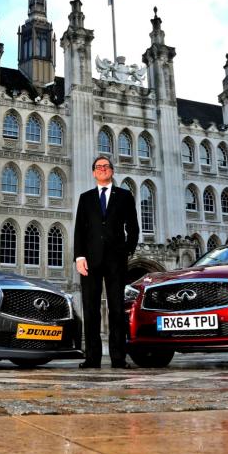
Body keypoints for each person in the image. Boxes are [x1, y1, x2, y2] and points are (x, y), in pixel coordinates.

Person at [74, 155, 139, 369]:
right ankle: (91, 358)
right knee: (90, 309)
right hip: (90, 261)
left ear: (112, 171)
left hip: (116, 260)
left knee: (117, 310)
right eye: (98, 167)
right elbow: (79, 231)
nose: (102, 169)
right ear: (94, 172)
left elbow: (133, 227)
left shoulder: (124, 196)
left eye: (106, 166)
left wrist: (127, 250)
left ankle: (118, 358)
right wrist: (79, 257)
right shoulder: (85, 198)